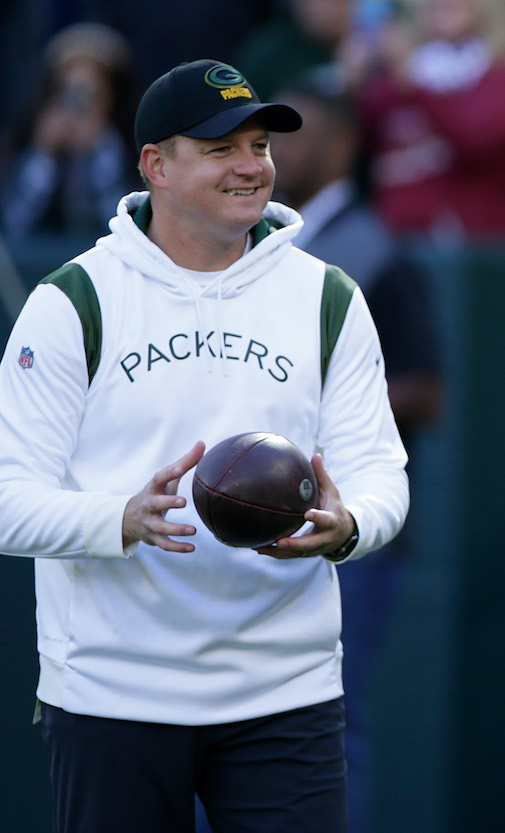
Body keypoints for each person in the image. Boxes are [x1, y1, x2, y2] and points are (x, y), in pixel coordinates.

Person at [0, 58, 410, 833]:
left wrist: (349, 526)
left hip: (286, 693)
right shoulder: (73, 302)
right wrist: (121, 516)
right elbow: (6, 496)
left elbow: (380, 468)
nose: (252, 166)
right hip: (112, 693)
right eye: (222, 147)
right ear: (155, 164)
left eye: (260, 145)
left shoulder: (328, 296)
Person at [271, 66, 444, 833]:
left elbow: (426, 391)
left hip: (347, 534)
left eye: (290, 132)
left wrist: (306, 408)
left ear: (342, 142)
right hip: (259, 529)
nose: (272, 150)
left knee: (326, 729)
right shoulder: (256, 244)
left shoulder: (372, 252)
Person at [347, 0, 505, 240]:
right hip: (395, 238)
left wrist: (412, 83)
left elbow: (478, 140)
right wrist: (353, 84)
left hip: (477, 245)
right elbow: (357, 140)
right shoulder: (402, 64)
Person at [2, 22, 139, 238]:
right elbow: (14, 227)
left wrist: (102, 148)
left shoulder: (132, 147)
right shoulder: (24, 142)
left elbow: (127, 227)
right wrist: (43, 155)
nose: (78, 106)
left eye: (90, 93)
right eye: (68, 92)